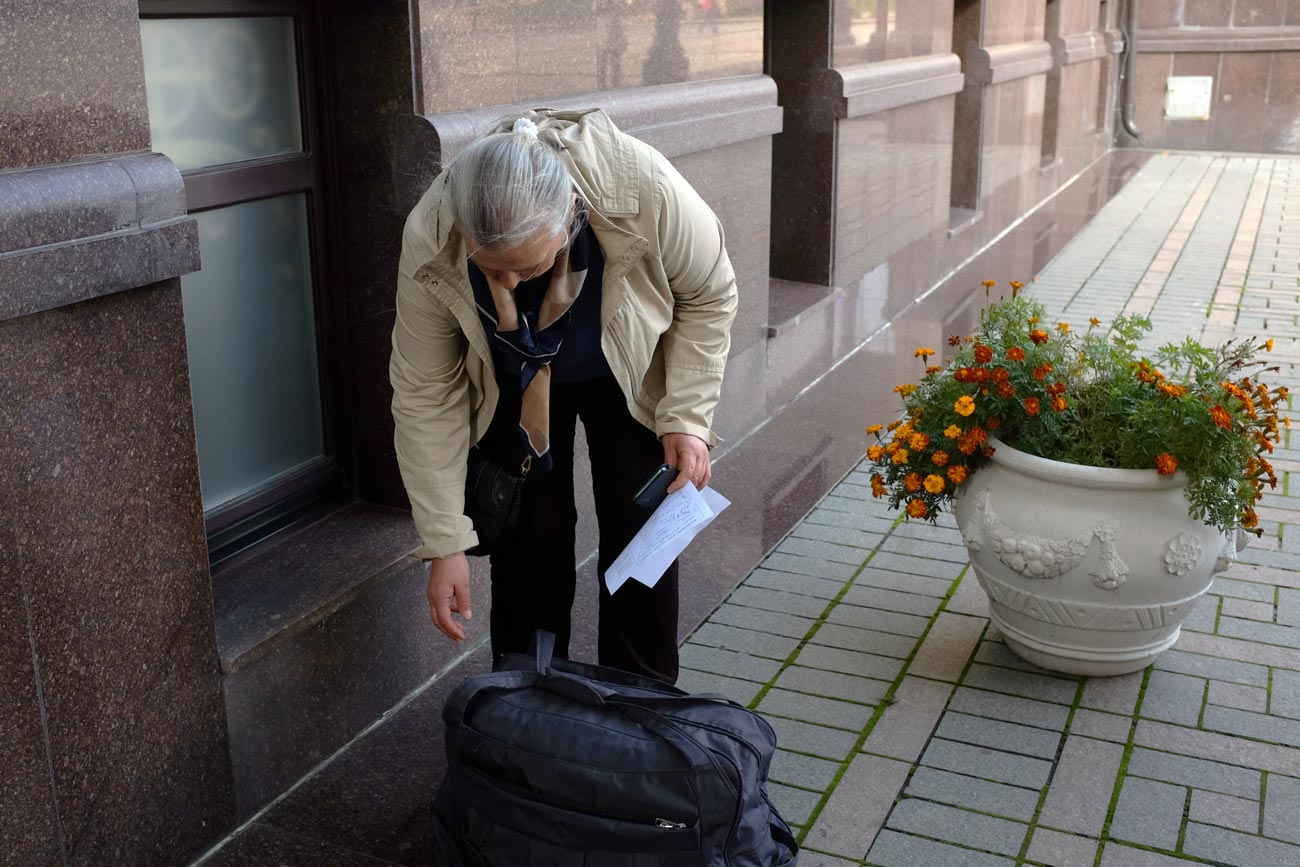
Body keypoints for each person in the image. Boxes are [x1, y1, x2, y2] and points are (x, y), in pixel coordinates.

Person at [390, 108, 737, 683]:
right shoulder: (432, 233)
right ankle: (528, 703)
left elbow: (709, 293)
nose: (509, 286)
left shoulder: (642, 185)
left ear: (570, 215)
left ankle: (641, 703)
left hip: (626, 368)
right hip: (513, 380)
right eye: (493, 271)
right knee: (529, 541)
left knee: (643, 531)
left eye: (527, 268)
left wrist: (687, 416)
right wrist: (444, 540)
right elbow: (426, 390)